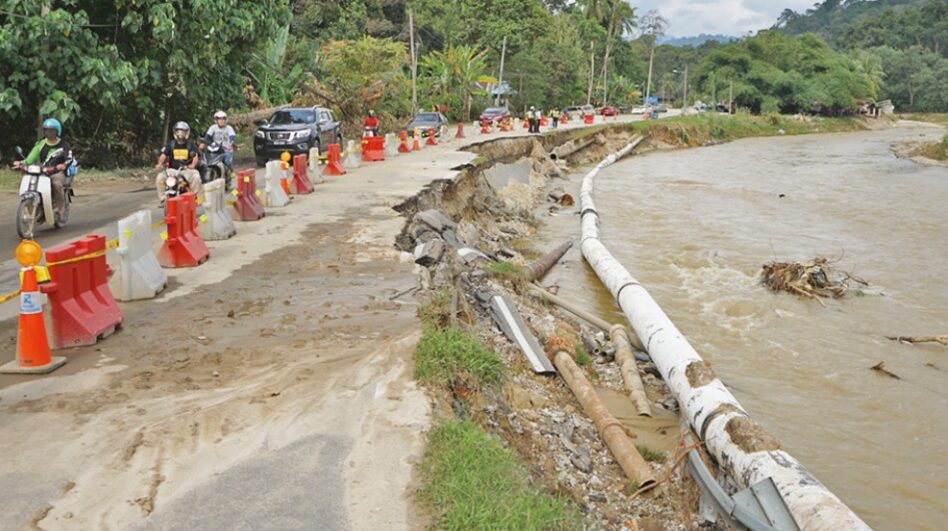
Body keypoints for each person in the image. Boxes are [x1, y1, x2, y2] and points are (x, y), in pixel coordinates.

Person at [13, 118, 74, 220]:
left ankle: (60, 208)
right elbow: (30, 158)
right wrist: (21, 163)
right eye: (46, 130)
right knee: (31, 182)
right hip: (43, 170)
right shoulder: (41, 144)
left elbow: (69, 158)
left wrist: (63, 165)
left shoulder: (64, 145)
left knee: (56, 184)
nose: (48, 133)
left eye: (52, 130)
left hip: (56, 171)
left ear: (57, 131)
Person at [155, 121, 203, 204]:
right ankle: (163, 199)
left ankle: (194, 197)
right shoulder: (171, 144)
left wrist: (192, 165)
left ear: (186, 133)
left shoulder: (191, 145)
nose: (180, 133)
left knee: (196, 177)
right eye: (178, 131)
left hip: (187, 170)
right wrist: (159, 164)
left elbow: (195, 156)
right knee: (160, 177)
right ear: (175, 132)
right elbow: (163, 155)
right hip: (172, 170)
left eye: (183, 131)